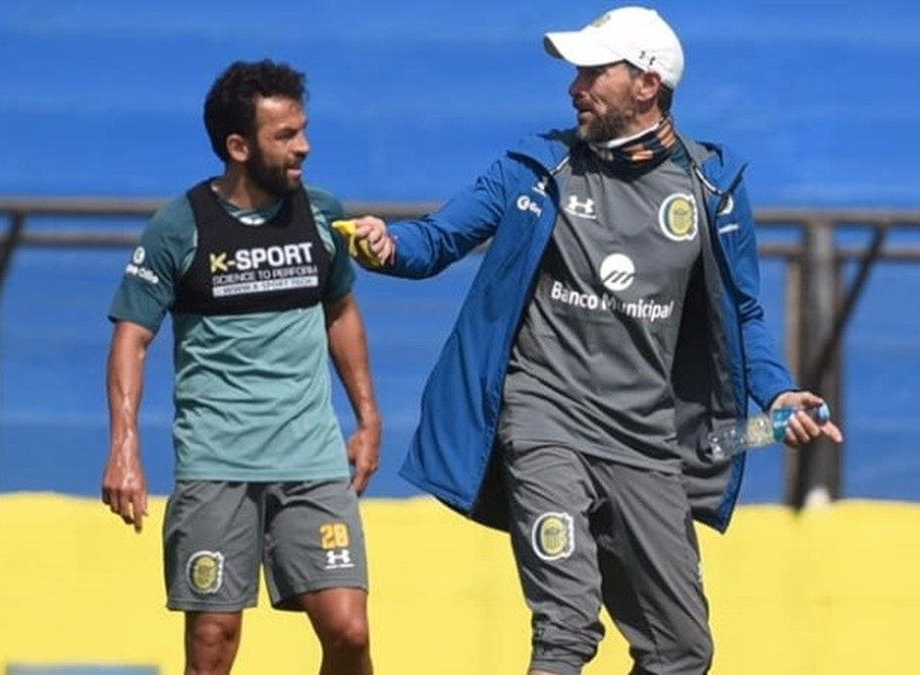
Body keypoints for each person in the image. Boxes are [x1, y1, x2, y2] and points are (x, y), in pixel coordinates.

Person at [343, 7, 844, 675]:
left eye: (592, 72)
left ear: (647, 83)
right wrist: (386, 246)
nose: (575, 86)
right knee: (567, 627)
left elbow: (745, 313)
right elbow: (433, 241)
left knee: (682, 651)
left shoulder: (712, 189)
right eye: (576, 72)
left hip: (646, 441)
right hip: (543, 422)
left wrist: (777, 390)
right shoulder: (536, 167)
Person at [101, 59, 380, 675]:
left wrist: (367, 415)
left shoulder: (321, 215)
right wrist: (124, 447)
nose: (304, 146)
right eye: (285, 136)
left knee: (349, 631)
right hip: (217, 464)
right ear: (239, 146)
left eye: (303, 130)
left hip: (311, 461)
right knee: (214, 644)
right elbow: (132, 339)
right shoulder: (181, 227)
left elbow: (341, 313)